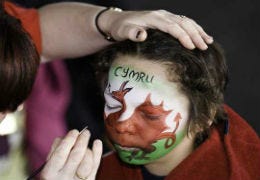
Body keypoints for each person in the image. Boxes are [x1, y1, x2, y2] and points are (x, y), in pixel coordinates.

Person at [43, 30, 260, 180]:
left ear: (203, 118)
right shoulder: (94, 171)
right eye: (113, 103)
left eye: (149, 114)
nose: (122, 125)